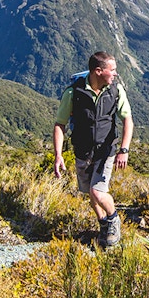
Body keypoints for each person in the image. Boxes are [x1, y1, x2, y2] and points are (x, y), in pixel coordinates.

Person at [53, 51, 133, 247]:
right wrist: (58, 155)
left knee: (97, 192)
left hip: (106, 150)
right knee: (90, 193)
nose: (115, 74)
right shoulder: (73, 93)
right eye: (112, 70)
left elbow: (127, 120)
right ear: (98, 71)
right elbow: (60, 124)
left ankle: (113, 219)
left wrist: (124, 149)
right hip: (82, 151)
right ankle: (103, 223)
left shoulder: (116, 91)